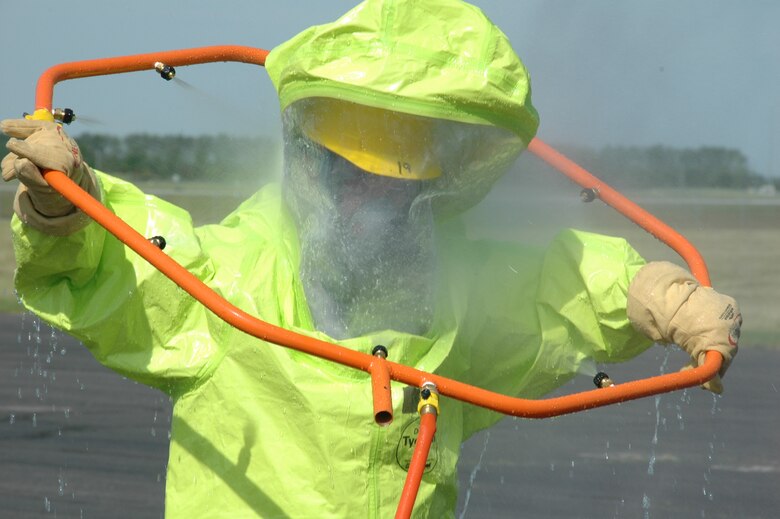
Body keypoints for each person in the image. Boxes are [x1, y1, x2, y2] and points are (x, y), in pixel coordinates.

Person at [2, 0, 740, 517]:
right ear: (310, 159)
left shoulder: (457, 300)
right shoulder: (235, 283)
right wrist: (67, 207)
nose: (370, 193)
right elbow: (132, 268)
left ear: (442, 181)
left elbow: (553, 292)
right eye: (349, 168)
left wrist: (656, 292)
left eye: (395, 179)